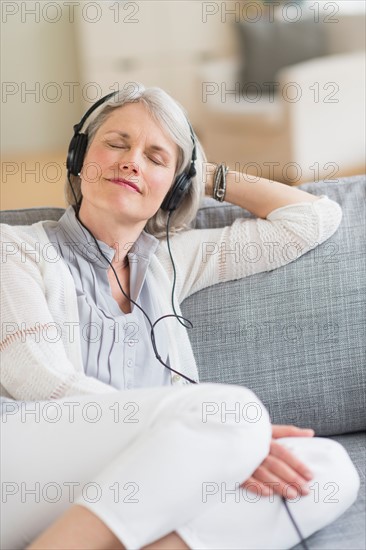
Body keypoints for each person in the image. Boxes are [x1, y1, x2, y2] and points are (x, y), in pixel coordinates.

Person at [0, 84, 360, 550]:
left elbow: (313, 220)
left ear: (177, 184)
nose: (132, 161)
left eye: (156, 157)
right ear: (79, 156)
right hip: (25, 477)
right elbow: (41, 384)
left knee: (327, 469)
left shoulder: (172, 264)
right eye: (116, 143)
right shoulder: (14, 250)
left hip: (145, 484)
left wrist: (202, 174)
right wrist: (217, 433)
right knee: (234, 412)